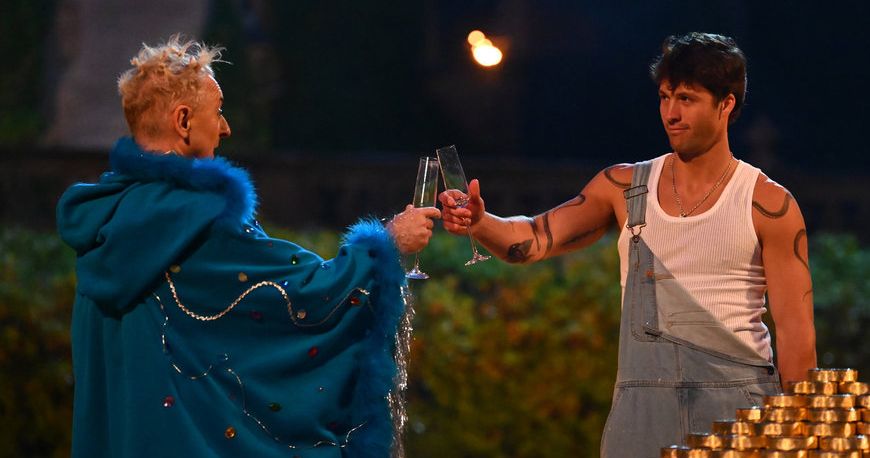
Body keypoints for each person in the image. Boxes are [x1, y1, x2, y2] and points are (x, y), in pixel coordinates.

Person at [57, 36, 440, 458]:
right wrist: (386, 245)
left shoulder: (103, 222)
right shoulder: (200, 218)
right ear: (183, 120)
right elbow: (306, 296)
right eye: (218, 111)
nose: (226, 128)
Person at [440, 32, 816, 457]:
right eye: (665, 97)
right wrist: (480, 222)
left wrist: (798, 439)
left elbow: (796, 337)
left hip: (737, 416)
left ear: (726, 104)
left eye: (687, 99)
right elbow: (533, 238)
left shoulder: (768, 204)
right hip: (641, 419)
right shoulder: (622, 187)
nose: (671, 113)